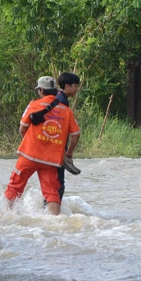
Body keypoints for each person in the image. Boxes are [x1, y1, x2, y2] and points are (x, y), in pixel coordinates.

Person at [3, 76, 80, 216]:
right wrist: (69, 153)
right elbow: (76, 134)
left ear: (42, 90)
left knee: (15, 185)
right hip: (50, 160)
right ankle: (56, 221)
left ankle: (6, 216)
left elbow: (22, 128)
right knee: (52, 192)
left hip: (29, 155)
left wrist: (31, 142)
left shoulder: (33, 104)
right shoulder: (67, 111)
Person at [54, 72, 82, 202]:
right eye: (75, 86)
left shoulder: (56, 98)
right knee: (58, 184)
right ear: (67, 86)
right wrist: (69, 152)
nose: (77, 89)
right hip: (58, 149)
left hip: (51, 146)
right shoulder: (62, 102)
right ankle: (51, 212)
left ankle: (46, 211)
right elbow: (75, 134)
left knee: (52, 182)